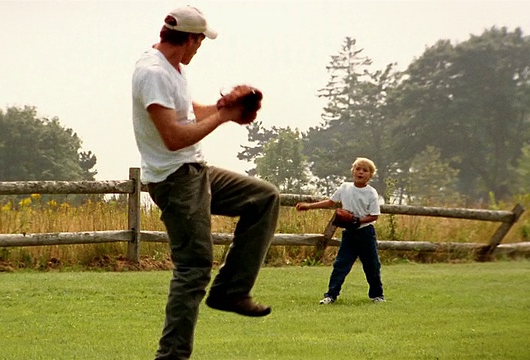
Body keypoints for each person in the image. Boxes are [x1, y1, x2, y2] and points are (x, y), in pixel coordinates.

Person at [131, 6, 280, 360]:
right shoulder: (153, 72)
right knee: (193, 267)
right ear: (191, 39)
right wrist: (224, 118)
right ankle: (171, 356)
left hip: (194, 171)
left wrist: (220, 107)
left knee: (265, 198)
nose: (200, 48)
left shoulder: (172, 68)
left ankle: (231, 291)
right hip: (175, 179)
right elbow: (173, 136)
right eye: (200, 41)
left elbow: (184, 112)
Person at [296, 157, 385, 304]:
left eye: (365, 170)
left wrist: (357, 221)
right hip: (349, 234)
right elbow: (331, 202)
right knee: (341, 265)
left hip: (365, 234)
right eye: (358, 169)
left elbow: (374, 215)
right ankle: (330, 295)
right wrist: (309, 206)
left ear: (370, 175)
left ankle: (377, 295)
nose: (360, 172)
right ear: (353, 171)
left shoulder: (371, 193)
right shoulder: (345, 187)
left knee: (372, 265)